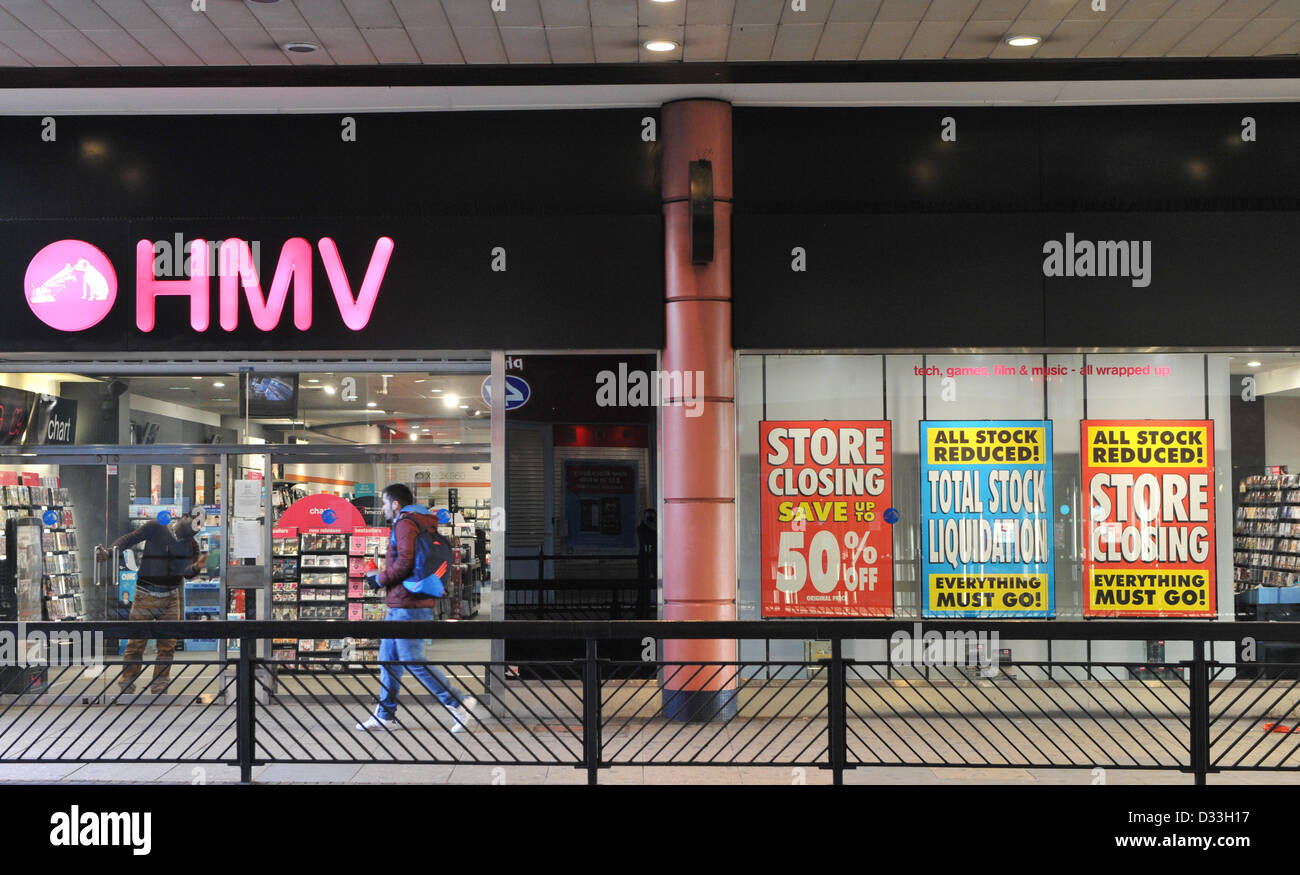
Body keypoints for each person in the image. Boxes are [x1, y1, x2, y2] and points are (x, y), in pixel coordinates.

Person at [355, 483, 477, 733]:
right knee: (387, 659)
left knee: (413, 660)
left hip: (407, 603)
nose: (384, 507)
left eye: (385, 502)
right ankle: (385, 714)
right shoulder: (422, 521)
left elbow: (405, 563)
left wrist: (378, 579)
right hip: (406, 600)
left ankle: (458, 702)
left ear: (396, 504)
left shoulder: (404, 523)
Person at [96, 510, 208, 696]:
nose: (193, 531)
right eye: (192, 524)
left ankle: (159, 687)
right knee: (136, 644)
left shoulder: (191, 546)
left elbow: (187, 573)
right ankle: (127, 685)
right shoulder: (157, 527)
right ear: (183, 518)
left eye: (197, 528)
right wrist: (109, 553)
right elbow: (130, 539)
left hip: (170, 597)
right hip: (146, 594)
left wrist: (196, 566)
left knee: (167, 645)